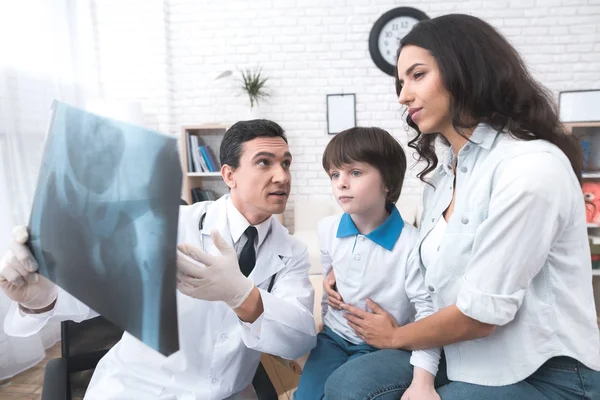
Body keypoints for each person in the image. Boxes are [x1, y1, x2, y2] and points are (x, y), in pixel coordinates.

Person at [322, 14, 600, 399]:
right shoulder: (444, 177)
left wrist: (396, 335)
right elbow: (433, 289)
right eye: (401, 83)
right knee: (347, 384)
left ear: (465, 71)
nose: (402, 96)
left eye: (417, 75)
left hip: (544, 373)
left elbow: (481, 314)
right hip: (463, 357)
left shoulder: (531, 167)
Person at [0, 119, 317, 400]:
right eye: (265, 162)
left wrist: (242, 296)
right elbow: (103, 285)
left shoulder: (291, 251)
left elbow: (298, 338)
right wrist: (41, 298)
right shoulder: (170, 225)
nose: (282, 176)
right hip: (139, 388)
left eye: (286, 163)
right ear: (229, 175)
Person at [294, 127, 441, 400]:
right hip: (333, 338)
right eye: (335, 174)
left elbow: (428, 314)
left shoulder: (411, 244)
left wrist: (424, 380)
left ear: (388, 183)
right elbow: (329, 271)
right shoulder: (327, 229)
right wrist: (329, 291)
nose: (341, 183)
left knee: (344, 392)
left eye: (355, 173)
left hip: (382, 346)